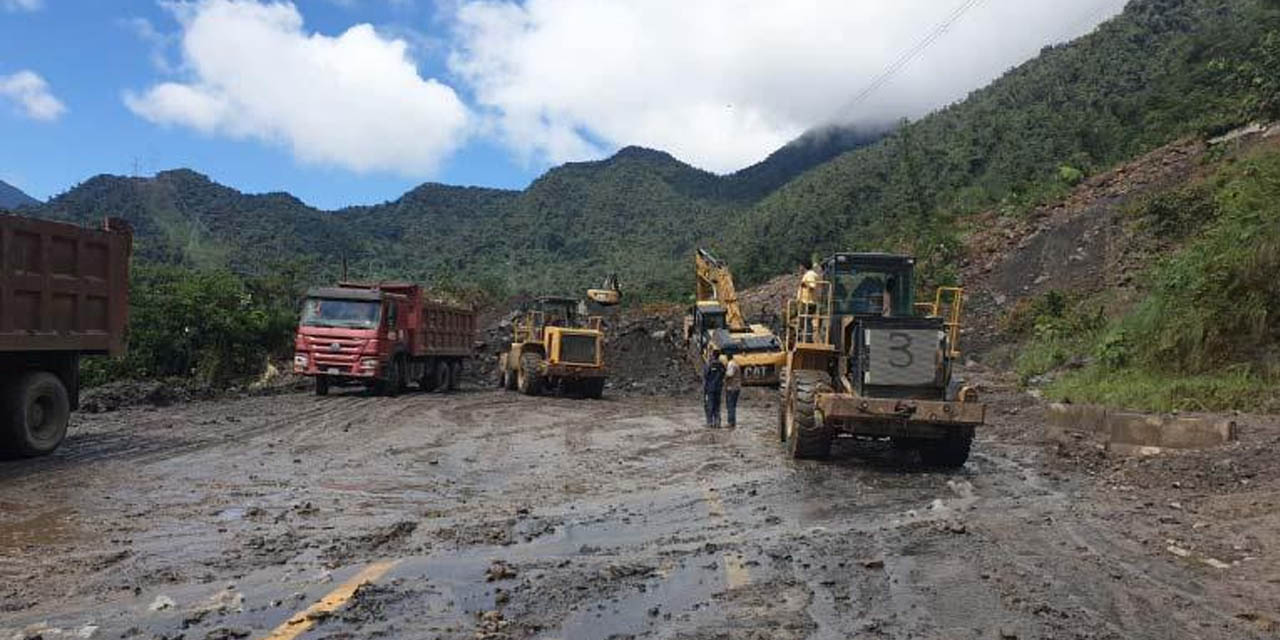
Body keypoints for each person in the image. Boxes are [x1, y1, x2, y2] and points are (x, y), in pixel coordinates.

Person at [702, 350, 726, 428]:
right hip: (718, 389)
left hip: (710, 389)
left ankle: (710, 423)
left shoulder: (709, 365)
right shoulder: (722, 365)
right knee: (717, 406)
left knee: (709, 405)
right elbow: (723, 375)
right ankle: (718, 422)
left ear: (713, 355)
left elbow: (705, 375)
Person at [722, 353, 741, 429]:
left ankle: (730, 422)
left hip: (731, 388)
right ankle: (733, 421)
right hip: (736, 387)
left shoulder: (731, 364)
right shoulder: (736, 364)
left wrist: (724, 377)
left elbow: (730, 374)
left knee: (730, 406)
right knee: (733, 406)